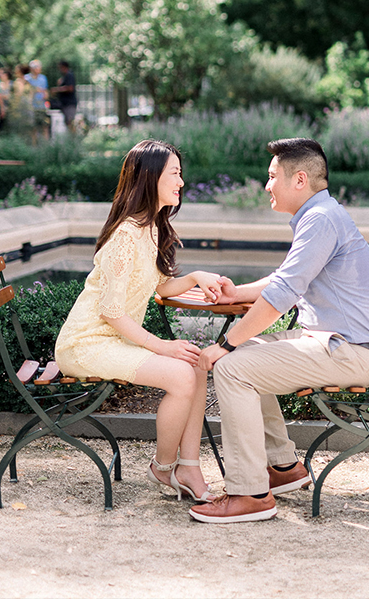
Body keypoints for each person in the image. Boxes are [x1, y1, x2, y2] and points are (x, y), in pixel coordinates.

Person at [190, 137, 369, 524]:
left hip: (351, 351)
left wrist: (224, 344)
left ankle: (249, 494)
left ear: (299, 179)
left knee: (233, 365)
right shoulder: (322, 214)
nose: (266, 185)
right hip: (341, 342)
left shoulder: (320, 219)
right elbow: (286, 279)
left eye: (271, 177)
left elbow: (283, 295)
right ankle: (283, 468)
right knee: (245, 354)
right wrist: (238, 292)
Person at [55, 139, 220, 503]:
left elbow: (159, 284)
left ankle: (189, 465)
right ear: (150, 177)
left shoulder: (152, 227)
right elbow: (111, 313)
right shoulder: (126, 237)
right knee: (180, 374)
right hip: (85, 343)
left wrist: (195, 277)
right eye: (174, 173)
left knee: (196, 364)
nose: (181, 181)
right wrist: (162, 346)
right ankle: (163, 467)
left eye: (180, 173)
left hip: (112, 341)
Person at [25, 59, 49, 142]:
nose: (39, 69)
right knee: (33, 127)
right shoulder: (27, 78)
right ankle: (33, 145)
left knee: (44, 126)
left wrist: (46, 95)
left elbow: (45, 90)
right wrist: (35, 90)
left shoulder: (43, 78)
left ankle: (45, 146)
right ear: (32, 69)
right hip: (31, 107)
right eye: (37, 67)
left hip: (41, 106)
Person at [51, 60, 77, 132]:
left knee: (70, 121)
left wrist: (57, 89)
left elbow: (70, 88)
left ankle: (73, 140)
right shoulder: (64, 77)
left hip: (69, 103)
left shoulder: (69, 75)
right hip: (64, 103)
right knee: (67, 122)